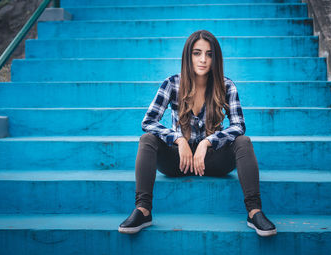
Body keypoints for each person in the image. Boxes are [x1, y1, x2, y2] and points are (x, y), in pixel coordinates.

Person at [118, 30, 276, 237]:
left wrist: (207, 143)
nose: (203, 59)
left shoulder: (226, 85)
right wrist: (179, 139)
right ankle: (143, 210)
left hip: (212, 160)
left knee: (243, 142)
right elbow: (148, 122)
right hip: (178, 161)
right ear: (188, 56)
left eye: (209, 54)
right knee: (147, 139)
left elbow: (238, 126)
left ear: (215, 58)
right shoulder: (171, 84)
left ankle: (254, 212)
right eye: (197, 53)